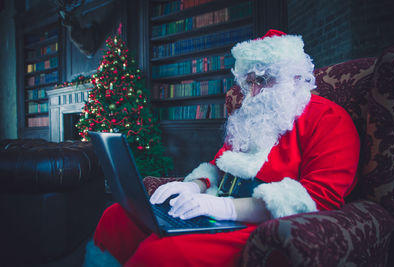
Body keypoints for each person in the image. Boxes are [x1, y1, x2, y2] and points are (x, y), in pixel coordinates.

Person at [86, 29, 360, 266]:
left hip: (259, 225)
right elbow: (219, 165)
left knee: (160, 255)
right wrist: (195, 185)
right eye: (250, 82)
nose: (253, 93)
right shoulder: (252, 115)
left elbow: (320, 198)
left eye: (263, 81)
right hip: (217, 210)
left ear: (295, 78)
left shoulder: (329, 118)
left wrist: (225, 209)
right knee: (117, 217)